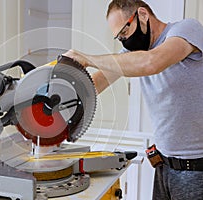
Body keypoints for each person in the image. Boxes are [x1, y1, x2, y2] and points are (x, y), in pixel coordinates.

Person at [63, 0, 203, 199]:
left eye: (124, 33)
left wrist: (87, 59)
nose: (124, 42)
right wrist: (55, 99)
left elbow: (152, 62)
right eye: (119, 38)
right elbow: (94, 85)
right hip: (163, 167)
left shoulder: (186, 29)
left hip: (195, 171)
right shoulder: (134, 54)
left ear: (143, 15)